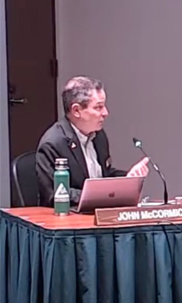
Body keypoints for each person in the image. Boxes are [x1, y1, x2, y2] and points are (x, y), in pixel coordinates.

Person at [36, 76, 150, 207]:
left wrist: (128, 179)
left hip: (98, 216)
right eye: (98, 107)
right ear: (77, 110)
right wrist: (96, 197)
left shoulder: (99, 136)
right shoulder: (53, 144)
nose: (105, 113)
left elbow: (103, 176)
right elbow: (54, 193)